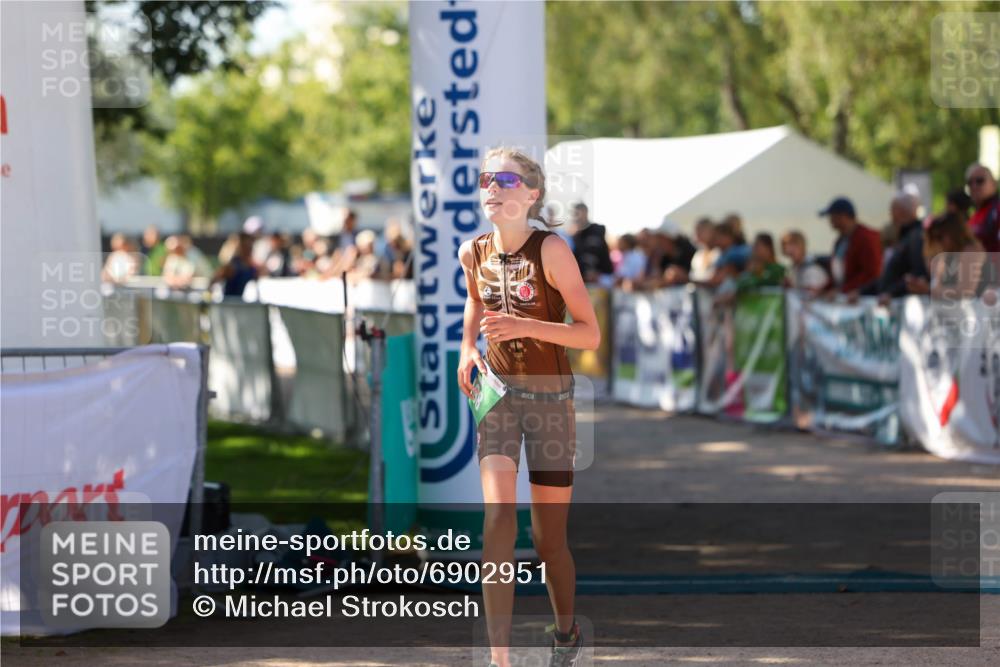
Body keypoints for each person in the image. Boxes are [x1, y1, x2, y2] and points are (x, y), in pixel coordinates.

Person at [458, 147, 599, 667]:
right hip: (496, 396)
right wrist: (467, 348)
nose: (492, 187)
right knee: (497, 518)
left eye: (506, 180)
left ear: (532, 194)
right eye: (485, 179)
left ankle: (565, 631)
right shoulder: (471, 252)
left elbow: (590, 333)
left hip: (550, 401)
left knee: (547, 541)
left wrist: (525, 326)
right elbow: (474, 301)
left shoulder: (553, 251)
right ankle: (500, 658)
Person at [854, 192, 928, 304]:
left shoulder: (915, 237)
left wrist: (892, 293)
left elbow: (916, 276)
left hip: (905, 308)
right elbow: (888, 277)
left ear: (900, 211)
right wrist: (860, 292)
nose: (890, 214)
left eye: (892, 209)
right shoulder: (907, 237)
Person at [906, 212, 993, 299]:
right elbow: (939, 287)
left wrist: (928, 290)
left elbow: (965, 292)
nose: (938, 242)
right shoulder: (948, 255)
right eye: (934, 238)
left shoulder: (971, 251)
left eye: (939, 237)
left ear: (953, 233)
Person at [819, 196, 882, 294]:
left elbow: (872, 273)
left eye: (832, 217)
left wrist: (843, 290)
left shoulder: (867, 238)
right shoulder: (840, 241)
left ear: (843, 216)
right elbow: (838, 275)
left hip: (862, 298)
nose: (830, 221)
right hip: (845, 297)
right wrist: (823, 290)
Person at [569, 202, 613, 284]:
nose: (576, 217)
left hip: (600, 279)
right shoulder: (575, 237)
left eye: (578, 213)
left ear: (585, 212)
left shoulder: (597, 230)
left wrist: (597, 274)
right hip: (583, 281)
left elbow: (599, 254)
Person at [965, 162, 999, 253]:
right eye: (969, 183)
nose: (974, 186)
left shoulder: (997, 211)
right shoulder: (972, 219)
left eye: (980, 181)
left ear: (994, 184)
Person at [212, 232, 258, 298]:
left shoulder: (252, 267)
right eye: (246, 246)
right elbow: (215, 279)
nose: (249, 248)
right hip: (231, 304)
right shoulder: (233, 266)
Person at [689, 217, 720, 282]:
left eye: (700, 230)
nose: (696, 234)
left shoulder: (720, 253)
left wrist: (685, 278)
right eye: (696, 231)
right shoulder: (698, 254)